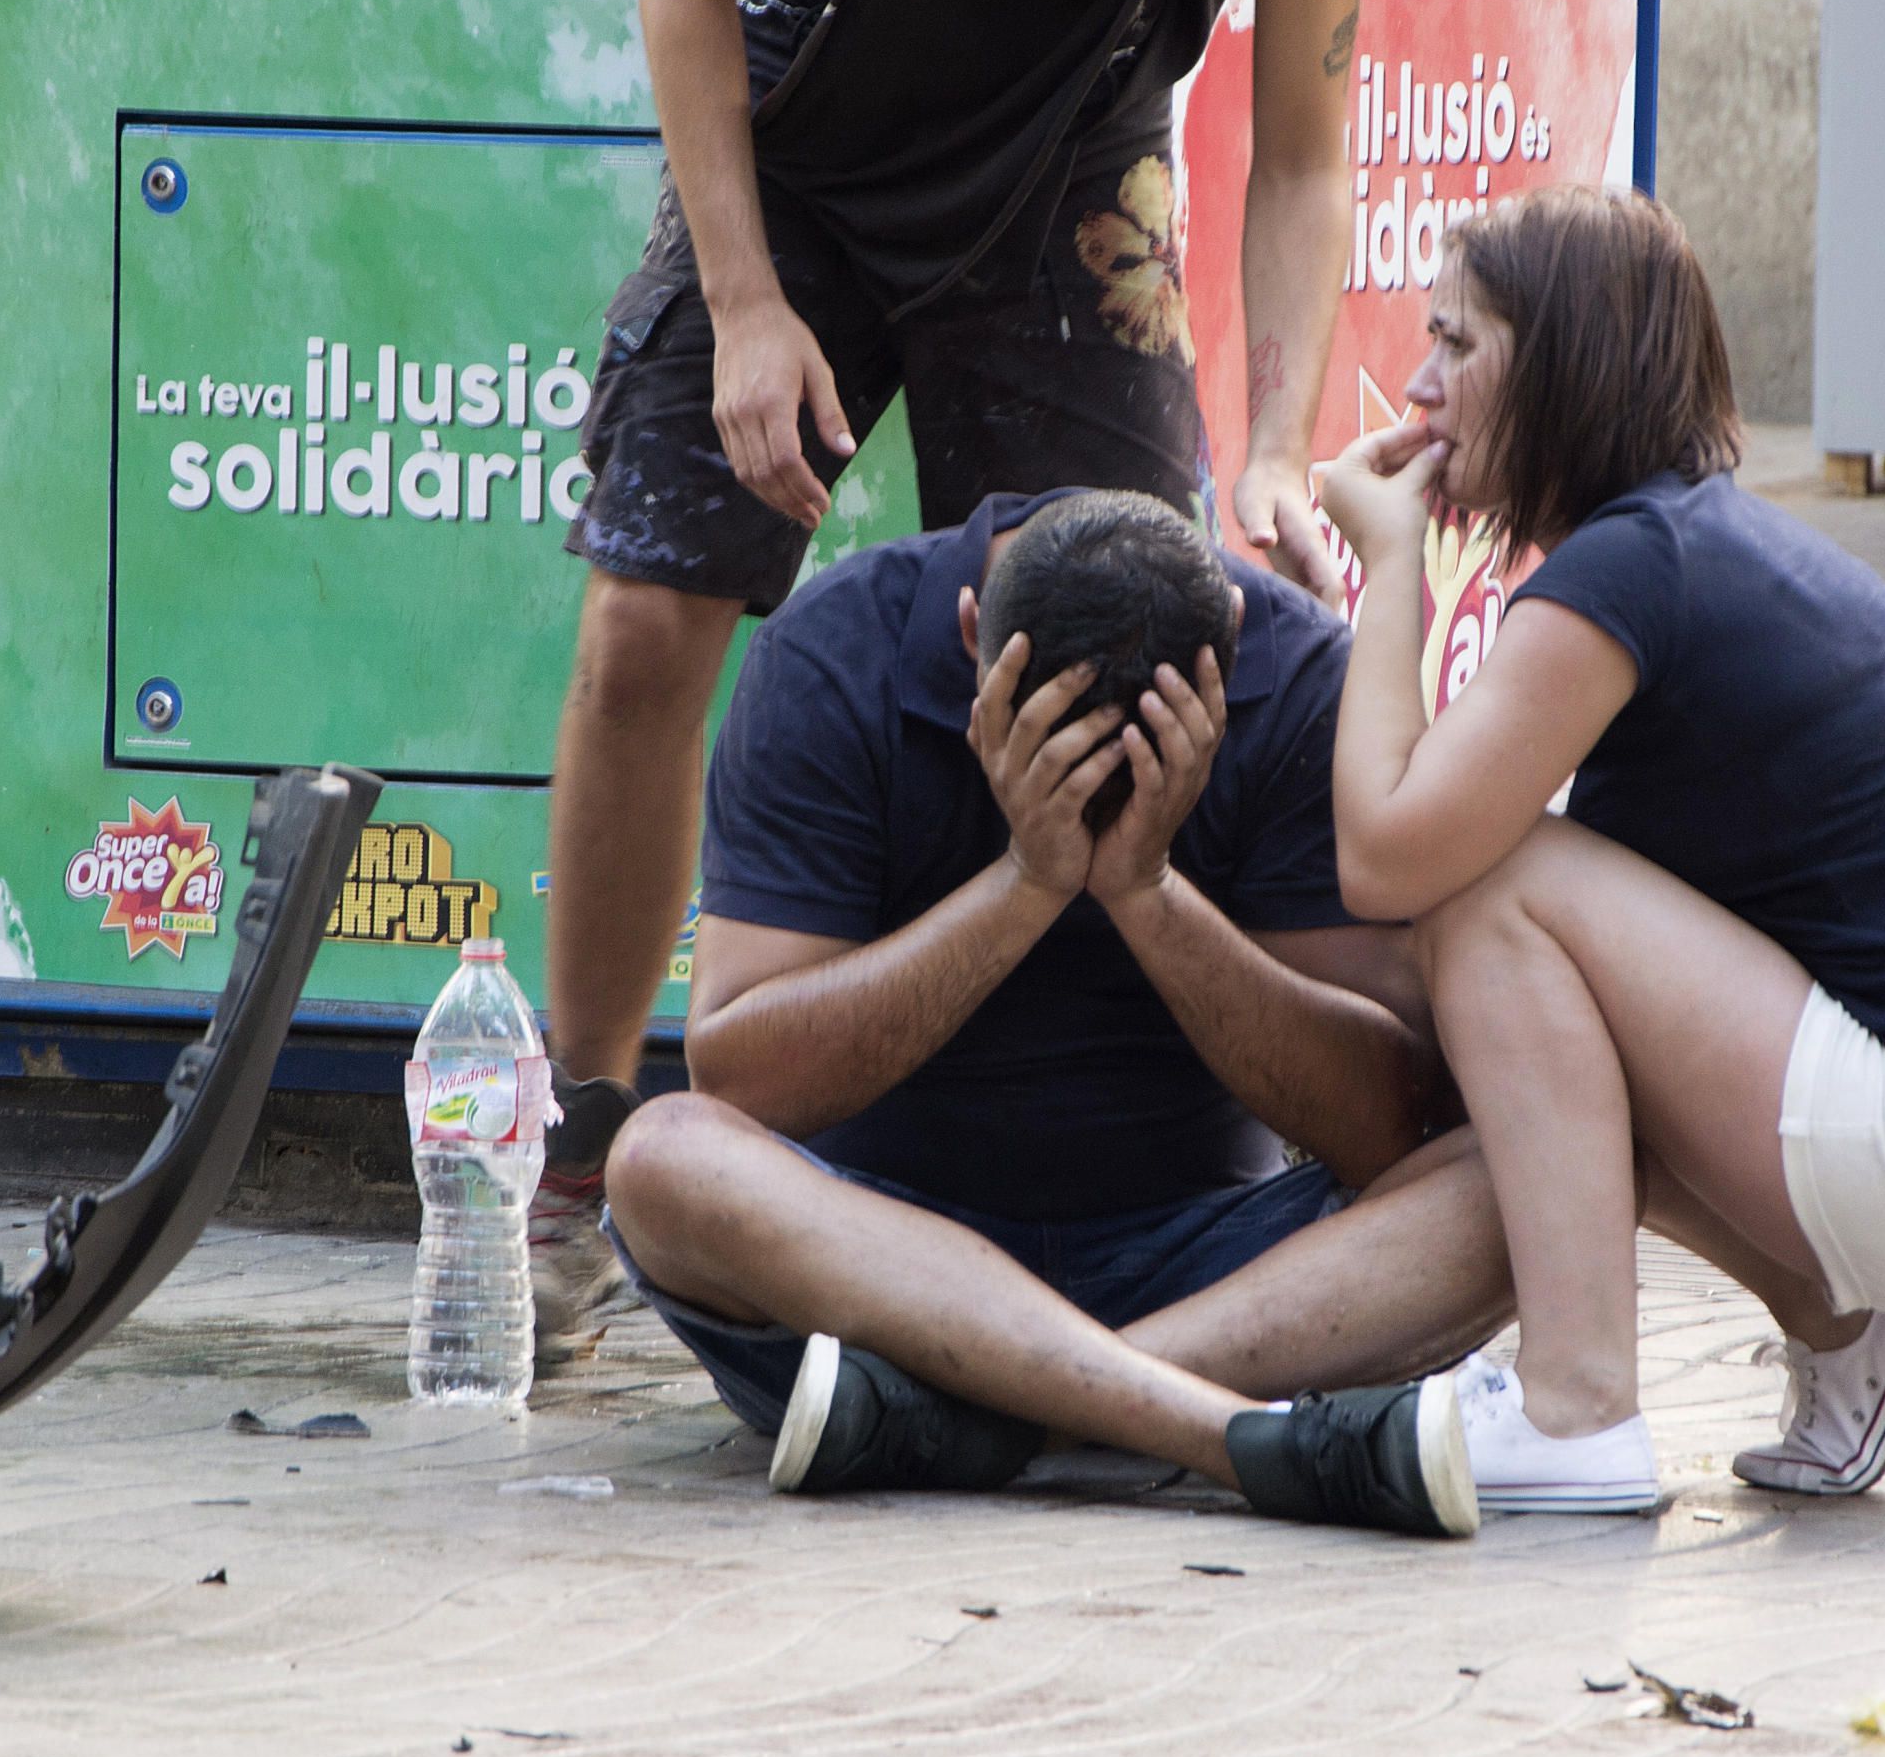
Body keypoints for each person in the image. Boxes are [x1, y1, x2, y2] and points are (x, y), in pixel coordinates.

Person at [532, 0, 1383, 1312]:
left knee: (1113, 649)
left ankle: (1054, 1167)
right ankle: (582, 1154)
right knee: (650, 611)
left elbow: (1301, 146)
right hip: (809, 133)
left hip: (1074, 163)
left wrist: (1273, 438)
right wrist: (743, 312)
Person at [1311, 188, 1885, 1514]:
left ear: (1559, 358)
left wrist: (1386, 560)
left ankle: (1574, 1410)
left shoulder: (1629, 571)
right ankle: (1850, 1326)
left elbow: (1389, 857)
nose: (1417, 382)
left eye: (1457, 344)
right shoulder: (1675, 543)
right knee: (1526, 1003)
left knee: (1490, 894)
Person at [597, 487, 1510, 1539]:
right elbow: (743, 1080)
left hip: (1216, 1279)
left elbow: (1389, 1123)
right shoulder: (834, 653)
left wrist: (1147, 893)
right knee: (663, 1154)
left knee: (1532, 1164)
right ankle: (1214, 1431)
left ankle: (996, 1419)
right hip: (875, 1275)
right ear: (971, 629)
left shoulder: (1296, 673)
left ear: (1233, 645)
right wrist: (1025, 885)